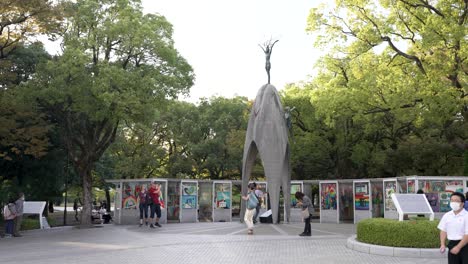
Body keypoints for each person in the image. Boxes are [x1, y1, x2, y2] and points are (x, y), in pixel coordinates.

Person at [438, 192, 468, 263]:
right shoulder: (447, 215)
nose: (453, 202)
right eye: (452, 200)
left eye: (456, 201)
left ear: (462, 203)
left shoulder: (466, 216)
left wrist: (458, 247)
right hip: (452, 245)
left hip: (465, 245)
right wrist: (442, 244)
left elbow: (467, 234)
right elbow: (443, 230)